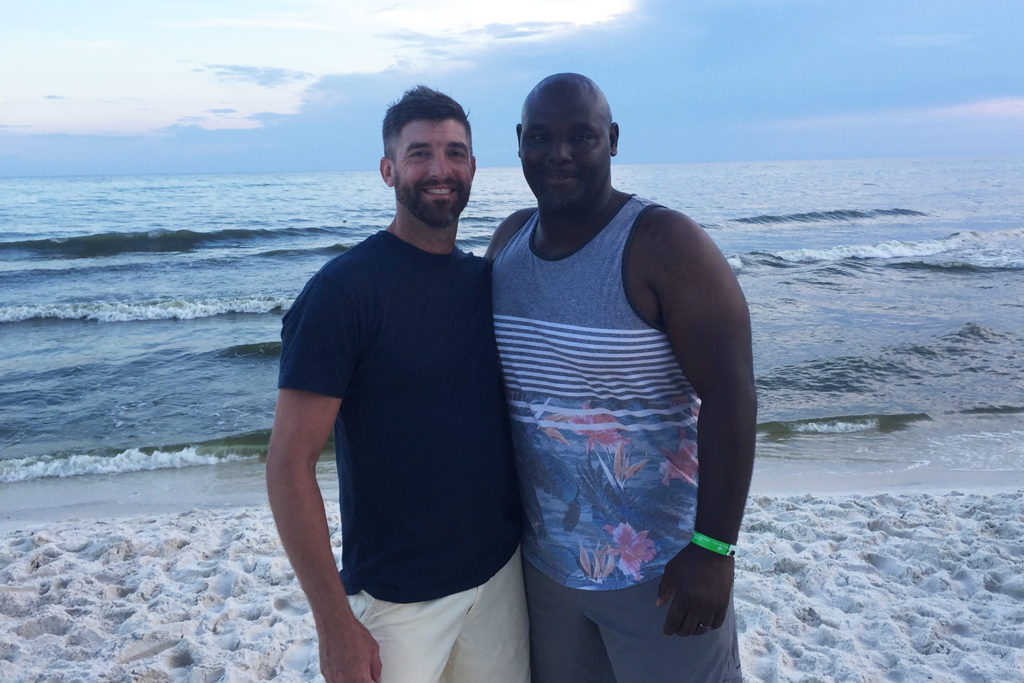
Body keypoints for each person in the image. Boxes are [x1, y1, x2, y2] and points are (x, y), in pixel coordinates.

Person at [486, 73, 756, 682]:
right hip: (544, 570)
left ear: (612, 139)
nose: (559, 153)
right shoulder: (507, 243)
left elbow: (732, 397)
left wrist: (714, 550)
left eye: (580, 136)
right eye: (541, 137)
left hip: (660, 573)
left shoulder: (666, 244)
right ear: (519, 143)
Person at [267, 85, 528, 683]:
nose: (440, 169)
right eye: (420, 154)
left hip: (498, 578)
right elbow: (288, 464)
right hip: (396, 600)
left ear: (473, 168)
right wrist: (334, 622)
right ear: (389, 171)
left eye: (455, 152)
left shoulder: (484, 282)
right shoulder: (343, 292)